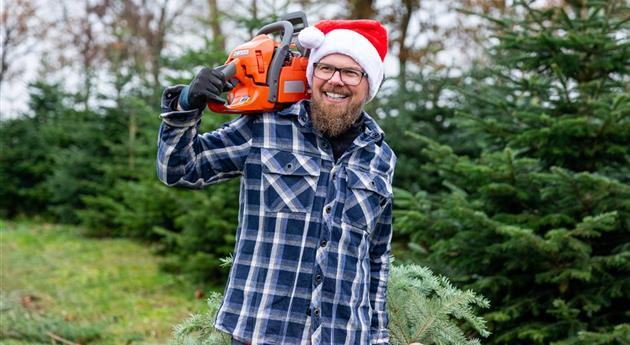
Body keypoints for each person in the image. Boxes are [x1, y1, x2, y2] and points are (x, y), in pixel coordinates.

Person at [157, 19, 396, 345]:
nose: (335, 81)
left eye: (351, 72)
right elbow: (179, 169)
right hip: (262, 332)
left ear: (370, 85)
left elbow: (376, 257)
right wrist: (186, 103)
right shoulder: (265, 127)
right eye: (326, 68)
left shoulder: (380, 156)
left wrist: (378, 337)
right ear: (312, 74)